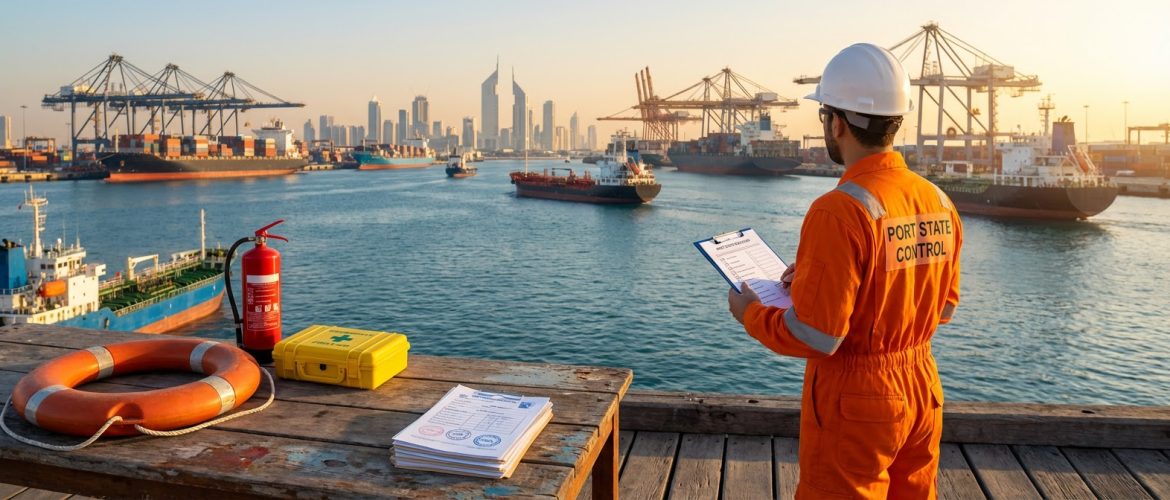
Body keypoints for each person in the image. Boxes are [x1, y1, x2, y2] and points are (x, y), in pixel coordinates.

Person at [727, 43, 963, 499]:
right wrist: (828, 281)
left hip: (858, 401)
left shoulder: (838, 210)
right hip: (921, 388)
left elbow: (817, 335)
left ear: (836, 122)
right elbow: (941, 307)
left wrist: (750, 314)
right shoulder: (939, 201)